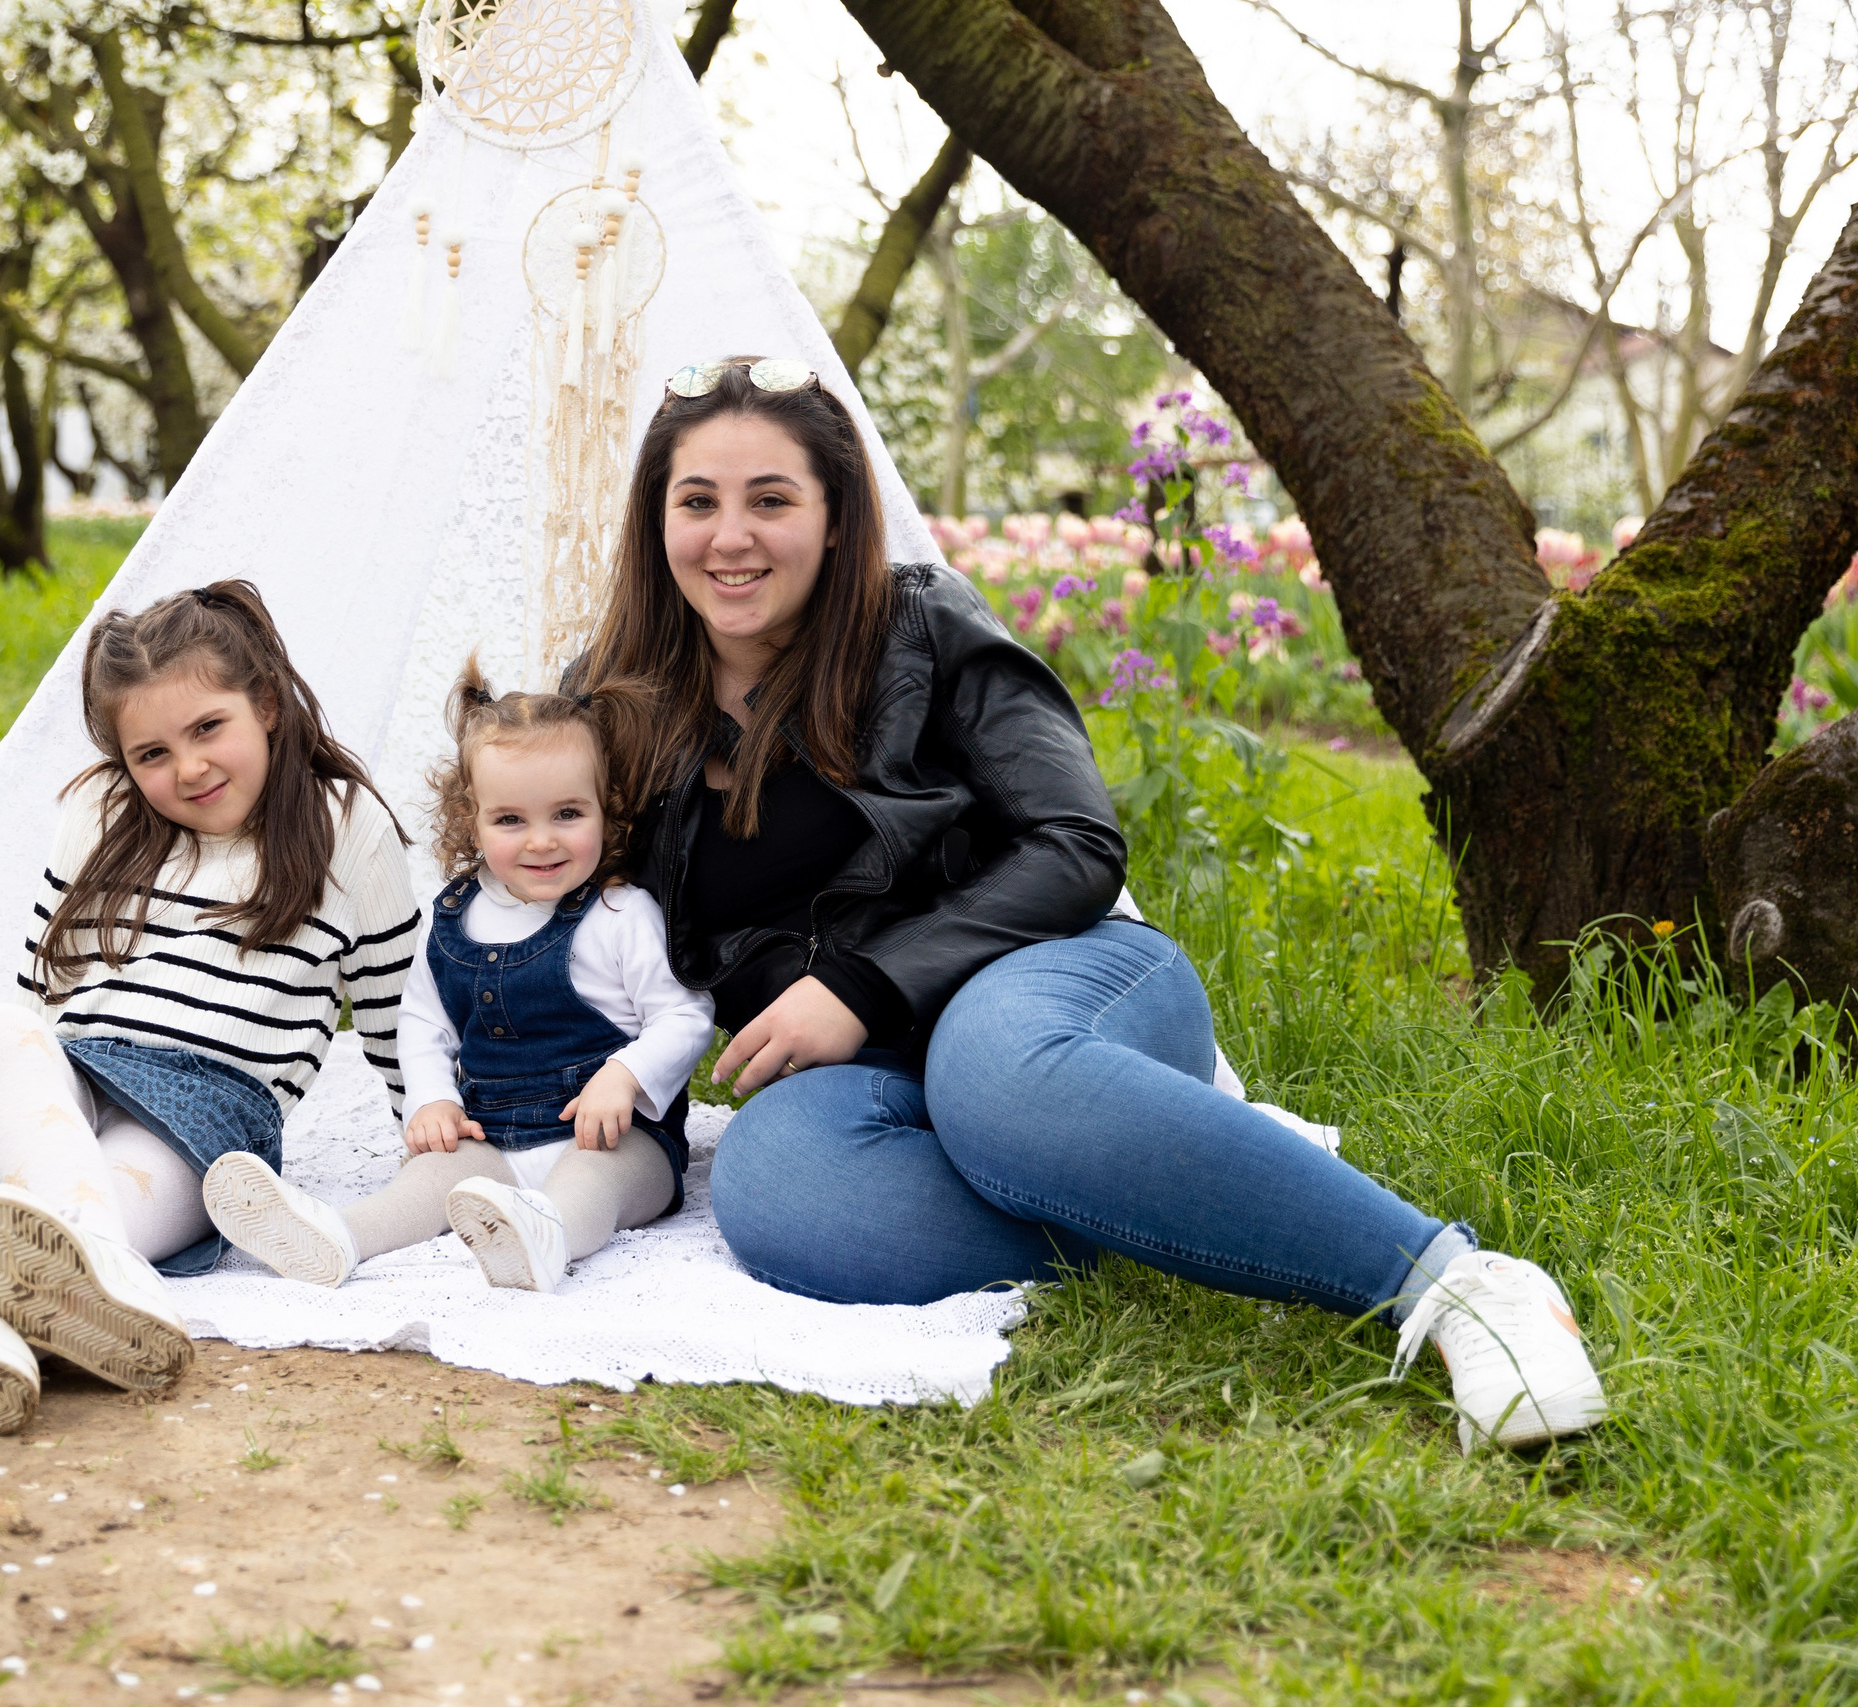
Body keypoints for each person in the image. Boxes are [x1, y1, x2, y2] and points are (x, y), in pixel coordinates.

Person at [570, 355, 1606, 1453]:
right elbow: (589, 928)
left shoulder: (920, 626)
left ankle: (1456, 1285)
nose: (731, 537)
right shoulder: (615, 699)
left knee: (994, 1072)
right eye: (699, 502)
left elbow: (1075, 843)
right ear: (658, 521)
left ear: (834, 518)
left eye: (770, 499)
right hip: (865, 1072)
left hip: (1056, 971)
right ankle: (1139, 1163)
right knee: (784, 1190)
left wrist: (866, 984)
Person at [0, 582, 419, 1404]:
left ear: (265, 704)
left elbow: (395, 1005)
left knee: (93, 1206)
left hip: (205, 1118)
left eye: (207, 728)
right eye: (151, 753)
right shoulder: (99, 811)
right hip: (74, 1080)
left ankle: (5, 1331)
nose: (187, 768)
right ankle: (117, 1294)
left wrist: (425, 1119)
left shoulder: (343, 822)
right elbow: (46, 988)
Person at [202, 659, 714, 1293]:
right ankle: (339, 1235)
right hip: (492, 1135)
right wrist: (433, 1100)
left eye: (567, 814)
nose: (541, 841)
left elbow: (685, 1014)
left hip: (612, 1136)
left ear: (606, 810)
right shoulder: (455, 917)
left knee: (593, 1183)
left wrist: (626, 1076)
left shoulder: (619, 912)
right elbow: (421, 1024)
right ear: (471, 821)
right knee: (430, 1177)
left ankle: (545, 1235)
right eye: (510, 820)